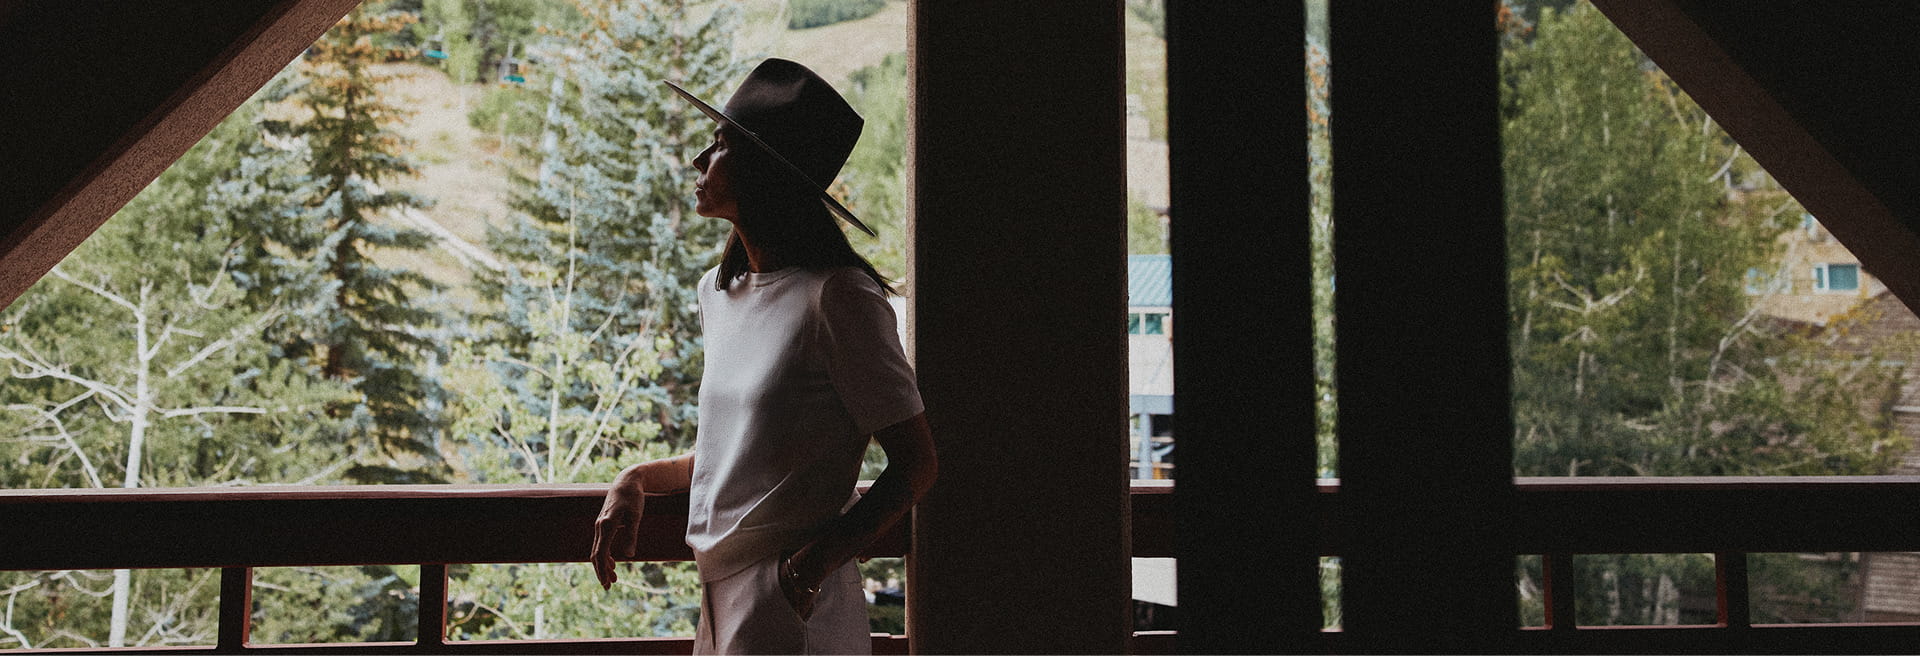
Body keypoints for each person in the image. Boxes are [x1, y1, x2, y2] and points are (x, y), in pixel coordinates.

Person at [587, 58, 938, 655]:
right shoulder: (719, 294)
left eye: (719, 146)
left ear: (762, 174)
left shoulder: (840, 298)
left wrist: (809, 568)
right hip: (719, 593)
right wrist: (634, 478)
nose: (699, 161)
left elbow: (917, 464)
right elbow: (733, 457)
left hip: (795, 601)